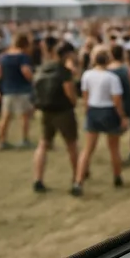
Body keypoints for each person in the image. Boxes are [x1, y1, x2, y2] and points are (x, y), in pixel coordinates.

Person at [71, 48, 127, 196]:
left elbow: (85, 96)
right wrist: (122, 116)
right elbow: (117, 99)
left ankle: (78, 181)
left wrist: (87, 110)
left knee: (88, 149)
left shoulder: (87, 75)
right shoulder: (112, 78)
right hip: (109, 111)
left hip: (94, 110)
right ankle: (117, 176)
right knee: (114, 148)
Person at [32, 40, 79, 192]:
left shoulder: (43, 68)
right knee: (71, 145)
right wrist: (74, 102)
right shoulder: (64, 72)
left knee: (43, 144)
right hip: (63, 111)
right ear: (67, 54)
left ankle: (38, 179)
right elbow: (70, 94)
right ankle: (76, 178)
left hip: (46, 110)